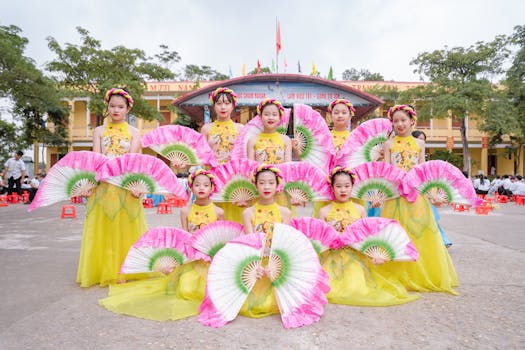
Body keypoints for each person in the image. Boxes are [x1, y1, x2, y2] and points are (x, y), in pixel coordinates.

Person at [99, 169, 224, 321]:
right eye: (197, 185)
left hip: (211, 261)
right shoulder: (185, 211)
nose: (201, 188)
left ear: (212, 188)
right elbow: (184, 240)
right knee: (186, 289)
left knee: (209, 290)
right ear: (191, 188)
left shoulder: (219, 212)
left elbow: (220, 240)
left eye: (206, 185)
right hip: (193, 260)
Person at [378, 104, 458, 294]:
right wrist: (382, 193)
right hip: (396, 195)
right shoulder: (388, 144)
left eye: (403, 120)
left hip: (416, 194)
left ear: (412, 121)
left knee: (420, 232)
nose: (400, 124)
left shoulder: (419, 144)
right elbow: (387, 171)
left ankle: (419, 274)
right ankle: (398, 275)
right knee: (397, 233)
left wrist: (432, 192)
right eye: (396, 121)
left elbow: (423, 171)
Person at [316, 166, 418, 306]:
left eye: (347, 186)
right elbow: (319, 240)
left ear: (353, 187)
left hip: (355, 255)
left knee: (355, 288)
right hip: (332, 257)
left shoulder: (360, 210)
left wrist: (375, 255)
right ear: (332, 188)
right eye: (338, 186)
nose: (343, 190)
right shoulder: (324, 211)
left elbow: (367, 237)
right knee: (328, 287)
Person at [77, 88, 147, 288]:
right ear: (107, 107)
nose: (116, 110)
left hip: (125, 186)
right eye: (112, 106)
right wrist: (89, 184)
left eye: (120, 107)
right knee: (104, 228)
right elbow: (96, 160)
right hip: (104, 186)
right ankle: (102, 270)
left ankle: (123, 270)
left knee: (124, 228)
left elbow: (132, 161)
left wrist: (137, 186)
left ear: (127, 109)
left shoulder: (134, 132)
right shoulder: (99, 131)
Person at [240, 164, 291, 318]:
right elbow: (251, 243)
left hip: (276, 261)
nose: (266, 186)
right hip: (257, 262)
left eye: (271, 182)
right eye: (261, 183)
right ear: (255, 185)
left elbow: (284, 243)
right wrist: (259, 265)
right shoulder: (248, 212)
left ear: (277, 185)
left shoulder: (285, 212)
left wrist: (273, 265)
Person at [412, 130, 453, 248]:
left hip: (423, 189)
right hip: (411, 189)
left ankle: (443, 240)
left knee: (430, 218)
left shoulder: (422, 158)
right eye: (420, 139)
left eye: (424, 140)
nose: (422, 142)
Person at [201, 87, 244, 164]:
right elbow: (201, 156)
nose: (223, 107)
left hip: (233, 172)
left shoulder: (240, 128)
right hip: (213, 172)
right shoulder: (206, 129)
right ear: (214, 106)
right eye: (219, 103)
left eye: (227, 103)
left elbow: (244, 156)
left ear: (233, 106)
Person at [247, 98, 292, 164]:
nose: (270, 118)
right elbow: (250, 167)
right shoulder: (252, 141)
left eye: (274, 114)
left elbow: (288, 167)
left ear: (279, 118)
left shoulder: (286, 140)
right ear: (260, 117)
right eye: (266, 114)